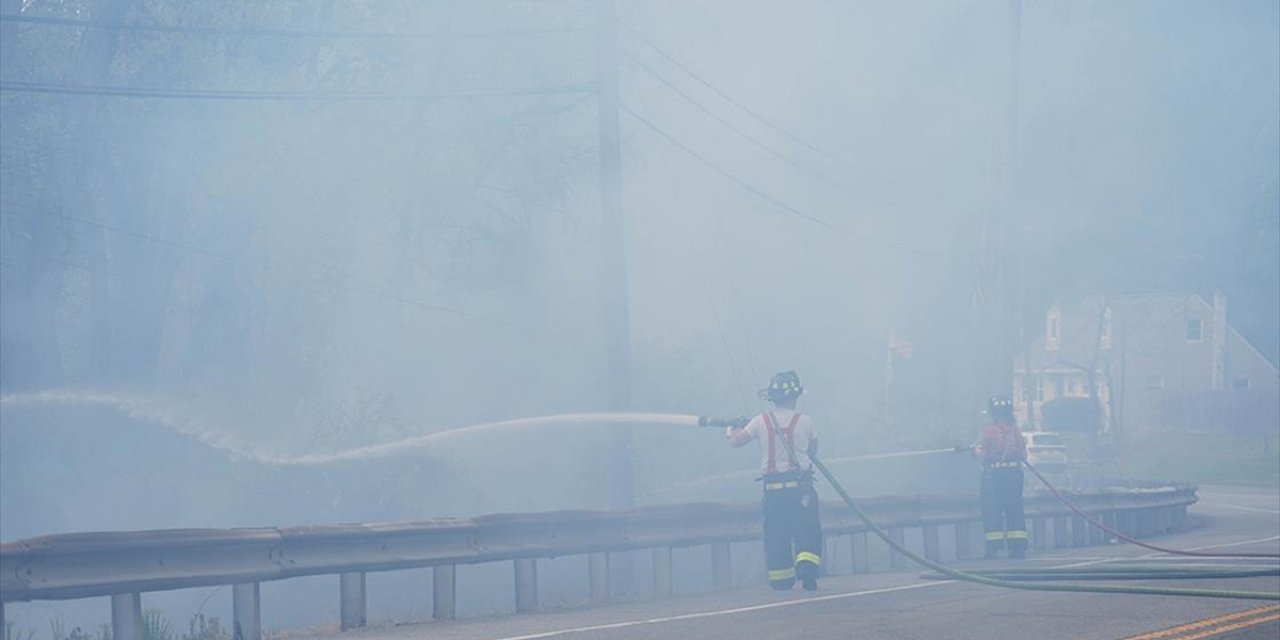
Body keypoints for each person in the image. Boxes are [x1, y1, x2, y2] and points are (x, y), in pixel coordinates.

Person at [727, 370, 823, 590]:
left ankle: (781, 579)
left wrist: (731, 427)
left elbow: (735, 441)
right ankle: (806, 567)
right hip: (801, 489)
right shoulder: (806, 421)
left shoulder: (759, 421)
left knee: (777, 534)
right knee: (807, 529)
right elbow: (812, 450)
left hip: (773, 491)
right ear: (794, 397)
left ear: (773, 397)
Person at [975, 394, 1028, 559]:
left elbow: (981, 453)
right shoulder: (1016, 431)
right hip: (1014, 476)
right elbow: (1024, 454)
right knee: (1015, 509)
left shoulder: (989, 431)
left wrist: (972, 450)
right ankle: (1018, 548)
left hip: (994, 476)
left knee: (992, 511)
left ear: (993, 413)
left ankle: (993, 549)